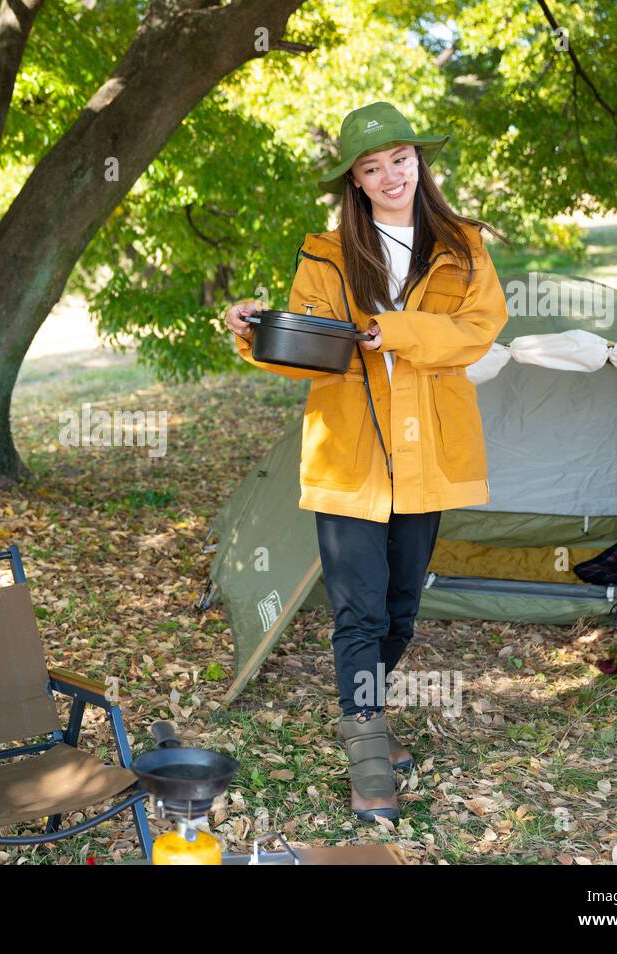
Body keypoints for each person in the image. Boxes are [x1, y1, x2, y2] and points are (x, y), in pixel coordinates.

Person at [222, 101, 509, 822]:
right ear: (354, 181)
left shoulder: (463, 247)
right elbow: (313, 356)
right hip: (349, 452)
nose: (390, 176)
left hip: (429, 451)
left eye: (400, 160)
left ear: (420, 161)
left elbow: (477, 332)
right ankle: (369, 758)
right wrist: (259, 333)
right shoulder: (326, 254)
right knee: (357, 609)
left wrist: (397, 331)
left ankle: (365, 714)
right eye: (371, 167)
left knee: (402, 607)